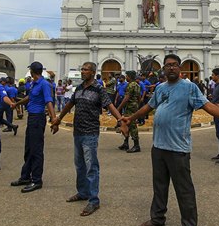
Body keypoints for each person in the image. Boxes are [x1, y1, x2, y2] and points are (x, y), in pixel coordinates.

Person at [121, 54, 219, 226]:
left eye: (174, 65)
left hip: (178, 148)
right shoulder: (160, 88)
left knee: (184, 190)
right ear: (163, 69)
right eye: (167, 65)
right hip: (158, 146)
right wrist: (130, 118)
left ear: (180, 68)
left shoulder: (189, 88)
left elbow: (209, 106)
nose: (170, 68)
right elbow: (148, 107)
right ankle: (157, 218)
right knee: (159, 186)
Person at [50, 62, 123, 217]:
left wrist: (120, 120)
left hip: (90, 133)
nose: (83, 71)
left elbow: (109, 105)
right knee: (80, 165)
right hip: (78, 132)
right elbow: (69, 104)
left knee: (91, 167)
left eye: (86, 69)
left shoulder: (99, 88)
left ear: (93, 72)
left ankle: (94, 200)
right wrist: (58, 119)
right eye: (82, 69)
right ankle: (82, 192)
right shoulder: (79, 88)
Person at [11, 62, 56, 193]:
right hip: (31, 118)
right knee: (28, 148)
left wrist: (54, 119)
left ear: (32, 71)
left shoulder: (44, 84)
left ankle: (36, 180)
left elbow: (49, 101)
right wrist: (17, 103)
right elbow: (29, 98)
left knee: (36, 150)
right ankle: (25, 176)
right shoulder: (34, 84)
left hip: (37, 119)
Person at [116, 70, 141, 153]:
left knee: (132, 125)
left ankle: (136, 145)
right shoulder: (137, 85)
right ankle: (126, 143)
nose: (126, 77)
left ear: (130, 77)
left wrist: (118, 108)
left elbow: (126, 98)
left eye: (127, 76)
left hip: (130, 108)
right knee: (126, 124)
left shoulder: (130, 85)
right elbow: (139, 97)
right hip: (134, 106)